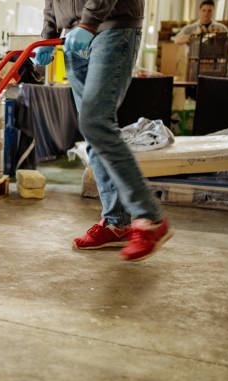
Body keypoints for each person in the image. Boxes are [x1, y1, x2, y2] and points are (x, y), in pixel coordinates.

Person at [34, 0, 173, 261]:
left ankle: (150, 217)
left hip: (111, 27)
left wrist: (89, 21)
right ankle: (116, 223)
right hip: (74, 38)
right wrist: (48, 35)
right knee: (93, 132)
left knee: (95, 122)